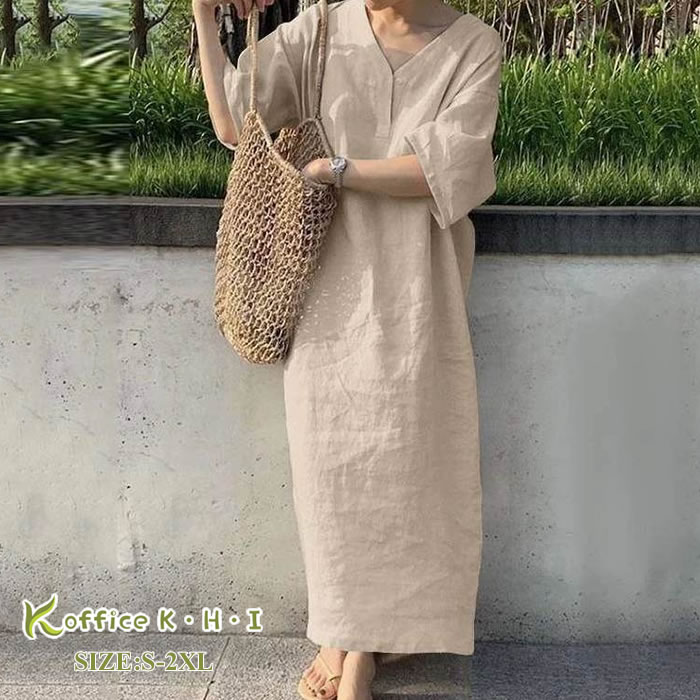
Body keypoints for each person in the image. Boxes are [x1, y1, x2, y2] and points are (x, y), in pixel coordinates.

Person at [193, 0, 502, 698]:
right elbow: (233, 123)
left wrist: (339, 168)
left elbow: (447, 168)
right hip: (324, 283)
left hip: (419, 285)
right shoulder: (322, 29)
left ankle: (357, 648)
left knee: (403, 471)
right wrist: (205, 17)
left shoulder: (474, 46)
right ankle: (345, 634)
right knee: (330, 471)